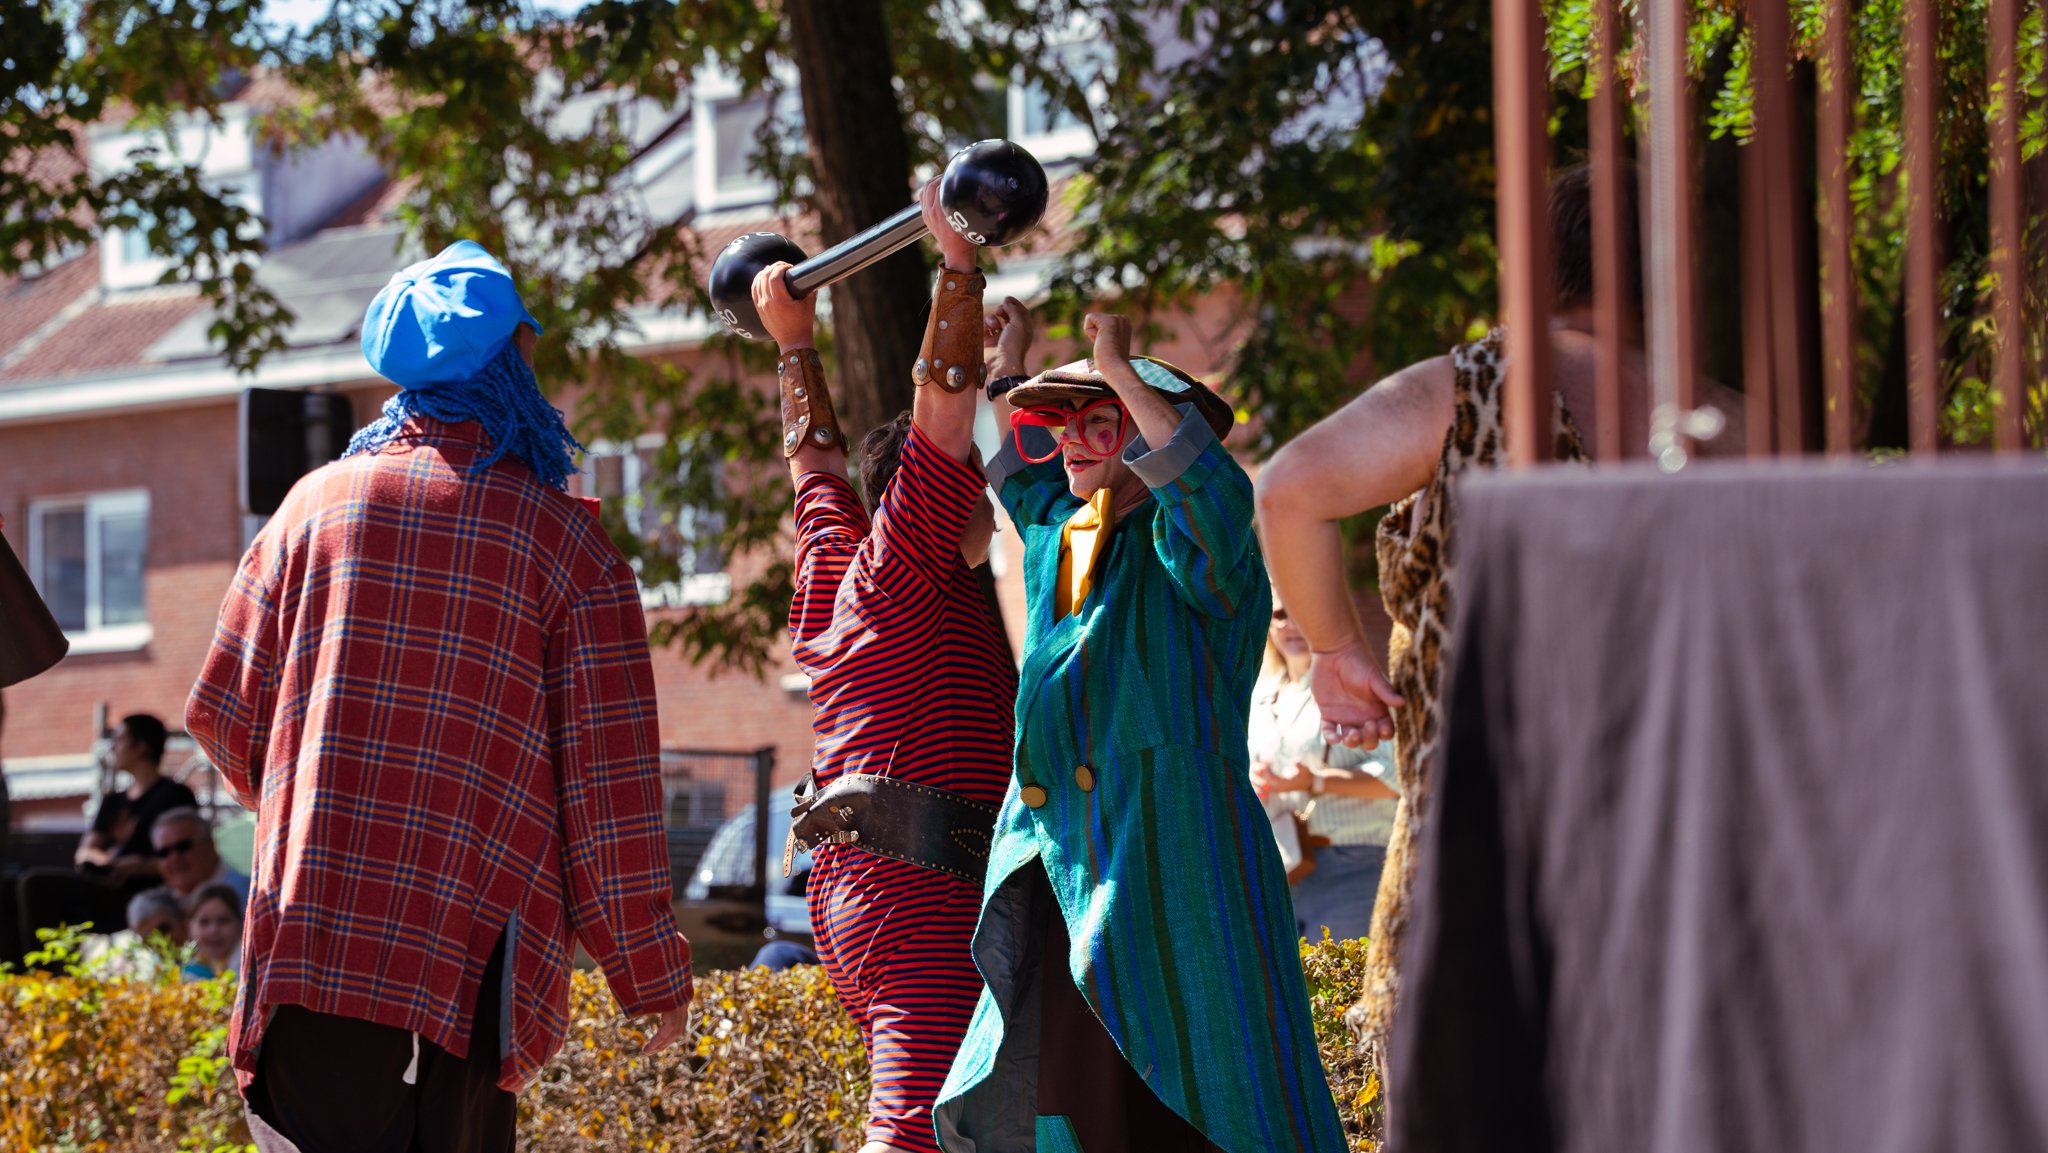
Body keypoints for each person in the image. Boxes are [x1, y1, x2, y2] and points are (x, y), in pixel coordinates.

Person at [187, 240, 692, 1153]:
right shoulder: (564, 544)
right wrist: (647, 972)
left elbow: (222, 713)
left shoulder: (308, 509)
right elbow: (609, 796)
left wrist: (319, 810)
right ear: (510, 361)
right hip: (468, 967)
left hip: (307, 941)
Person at [1253, 163, 1747, 1067]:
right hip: (1693, 852)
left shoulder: (1473, 388)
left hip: (1489, 857)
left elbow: (1285, 490)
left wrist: (1336, 652)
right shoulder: (1736, 421)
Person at [932, 314, 1347, 1153]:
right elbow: (1019, 470)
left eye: (1100, 423)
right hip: (1073, 888)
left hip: (1180, 878)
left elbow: (1215, 493)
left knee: (1210, 1104)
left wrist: (1122, 370)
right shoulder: (1066, 541)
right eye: (1066, 425)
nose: (1072, 444)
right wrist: (1006, 368)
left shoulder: (1206, 549)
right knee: (1079, 1108)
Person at [749, 177, 1019, 1153]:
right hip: (914, 894)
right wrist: (957, 263)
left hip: (870, 890)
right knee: (907, 1135)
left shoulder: (839, 562)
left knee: (952, 1127)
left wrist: (791, 341)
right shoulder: (903, 569)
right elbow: (939, 417)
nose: (988, 506)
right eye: (972, 495)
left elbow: (810, 457)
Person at [1248, 596, 1400, 944]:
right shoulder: (1259, 697)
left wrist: (1315, 781)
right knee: (1298, 996)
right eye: (1280, 614)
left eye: (1300, 610)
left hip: (1353, 863)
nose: (1291, 624)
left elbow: (1395, 777)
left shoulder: (1351, 687)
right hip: (1282, 868)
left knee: (1348, 994)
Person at [13, 714, 196, 956]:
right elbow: (86, 851)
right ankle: (14, 971)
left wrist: (141, 867)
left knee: (35, 885)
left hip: (144, 893)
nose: (113, 748)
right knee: (9, 886)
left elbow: (192, 858)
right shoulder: (113, 801)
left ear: (141, 747)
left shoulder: (175, 796)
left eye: (119, 740)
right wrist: (109, 863)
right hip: (103, 884)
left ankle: (47, 972)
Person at [150, 808, 249, 903]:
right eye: (163, 852)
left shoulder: (247, 897)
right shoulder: (157, 906)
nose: (174, 858)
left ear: (210, 844)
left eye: (183, 846)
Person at [183, 882, 243, 980]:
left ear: (241, 923)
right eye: (204, 922)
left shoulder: (249, 966)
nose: (214, 930)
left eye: (223, 921)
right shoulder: (186, 974)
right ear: (189, 927)